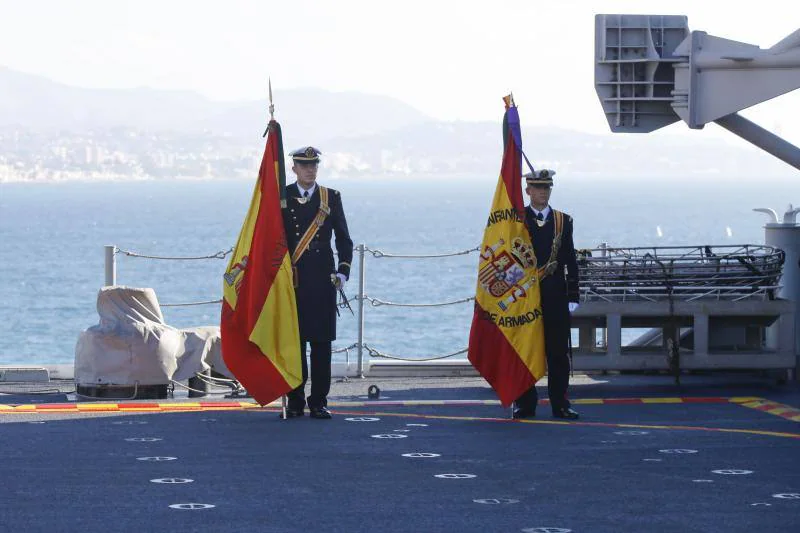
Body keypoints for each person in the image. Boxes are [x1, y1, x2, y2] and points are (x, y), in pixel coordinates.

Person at [282, 146, 353, 419]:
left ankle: (319, 401)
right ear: (294, 169)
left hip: (324, 279)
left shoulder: (330, 197)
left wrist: (343, 272)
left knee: (322, 344)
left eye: (314, 165)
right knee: (294, 343)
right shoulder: (283, 197)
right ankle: (296, 400)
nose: (310, 169)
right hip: (294, 280)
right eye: (304, 165)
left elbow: (344, 239)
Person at [513, 169, 581, 420]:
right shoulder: (516, 221)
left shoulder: (564, 221)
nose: (543, 192)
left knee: (558, 353)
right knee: (525, 349)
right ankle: (524, 403)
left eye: (547, 188)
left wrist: (573, 295)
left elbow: (569, 259)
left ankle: (560, 403)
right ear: (528, 190)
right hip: (526, 296)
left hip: (554, 295)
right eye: (538, 188)